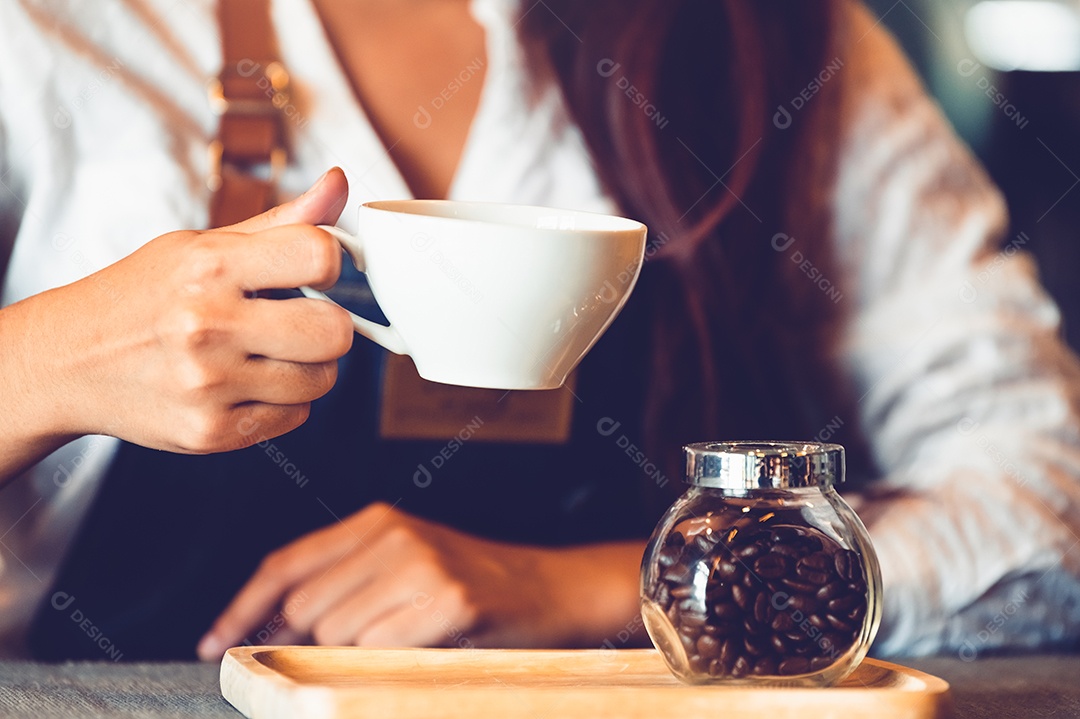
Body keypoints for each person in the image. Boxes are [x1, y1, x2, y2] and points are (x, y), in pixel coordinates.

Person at [1, 0, 1078, 661]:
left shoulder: (782, 41)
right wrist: (46, 365)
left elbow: (1048, 502)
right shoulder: (47, 34)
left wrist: (621, 586)